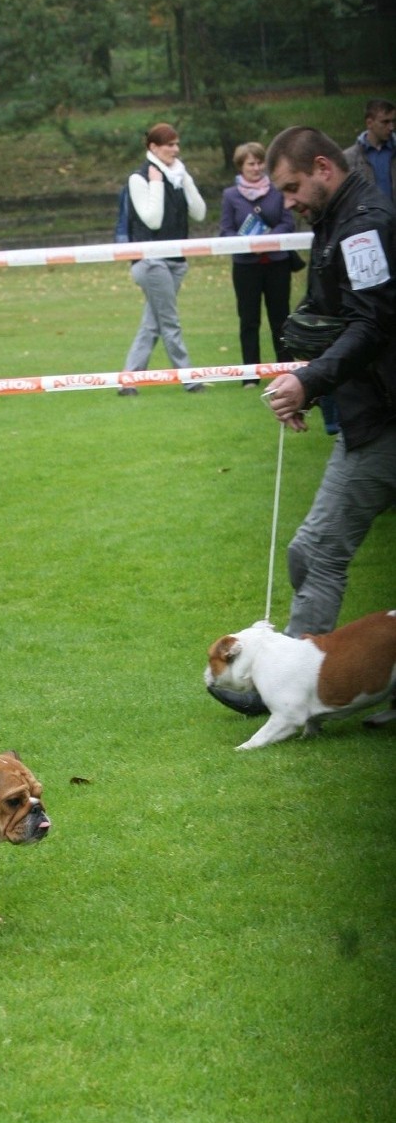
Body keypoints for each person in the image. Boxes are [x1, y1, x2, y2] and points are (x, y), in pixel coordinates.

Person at [207, 126, 396, 725]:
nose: (284, 200)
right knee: (310, 552)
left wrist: (309, 381)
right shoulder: (336, 221)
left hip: (385, 420)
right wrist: (311, 385)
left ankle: (289, 692)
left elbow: (374, 325)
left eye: (291, 188)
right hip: (369, 416)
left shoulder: (363, 225)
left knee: (315, 552)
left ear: (323, 167)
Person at [117, 123, 208, 397]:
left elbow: (200, 213)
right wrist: (156, 184)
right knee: (169, 322)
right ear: (153, 148)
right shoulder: (139, 178)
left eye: (177, 144)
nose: (176, 150)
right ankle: (189, 378)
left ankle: (128, 381)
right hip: (150, 262)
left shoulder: (178, 176)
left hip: (176, 262)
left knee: (153, 323)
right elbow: (152, 220)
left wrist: (185, 178)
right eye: (170, 145)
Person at [219, 141, 296, 387]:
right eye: (251, 163)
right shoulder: (230, 195)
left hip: (276, 263)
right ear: (241, 166)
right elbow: (225, 231)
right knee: (249, 319)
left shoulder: (277, 190)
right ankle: (250, 375)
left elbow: (288, 223)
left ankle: (285, 369)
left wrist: (268, 239)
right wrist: (247, 242)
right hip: (246, 265)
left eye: (260, 162)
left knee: (280, 317)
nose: (256, 167)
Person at [343, 98, 396, 202]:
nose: (391, 127)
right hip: (368, 217)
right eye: (385, 122)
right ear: (369, 123)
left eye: (393, 121)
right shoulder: (349, 158)